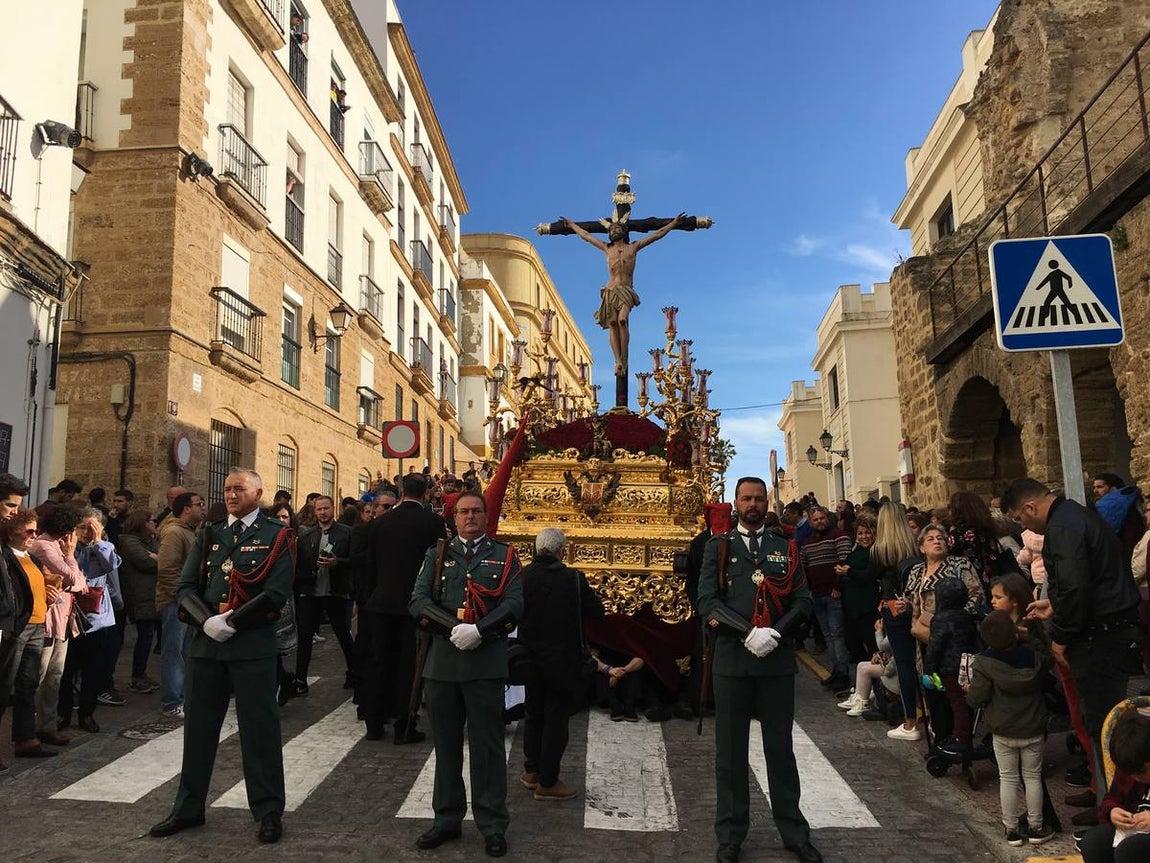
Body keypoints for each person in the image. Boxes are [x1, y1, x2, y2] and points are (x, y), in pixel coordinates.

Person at [149, 468, 294, 844]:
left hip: (251, 648)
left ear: (258, 492)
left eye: (239, 489)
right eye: (227, 489)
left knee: (259, 731)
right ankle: (188, 808)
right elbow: (185, 587)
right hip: (206, 646)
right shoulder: (210, 533)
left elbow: (276, 594)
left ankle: (267, 810)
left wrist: (231, 623)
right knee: (198, 730)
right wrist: (207, 622)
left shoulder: (276, 535)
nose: (231, 495)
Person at [697, 477, 821, 863]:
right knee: (730, 754)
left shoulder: (786, 547)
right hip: (733, 662)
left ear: (767, 503)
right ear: (735, 502)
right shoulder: (719, 548)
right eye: (746, 498)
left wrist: (776, 634)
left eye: (759, 498)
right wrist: (748, 632)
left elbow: (803, 600)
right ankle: (731, 834)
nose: (752, 504)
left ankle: (794, 832)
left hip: (776, 663)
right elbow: (706, 601)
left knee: (780, 750)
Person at [1005, 477, 1143, 805]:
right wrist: (1055, 605)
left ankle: (1114, 808)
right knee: (1106, 724)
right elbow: (1088, 582)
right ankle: (1106, 797)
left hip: (1101, 640)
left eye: (1019, 518)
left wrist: (1061, 634)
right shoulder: (1076, 516)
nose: (1023, 525)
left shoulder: (1063, 527)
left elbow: (1077, 587)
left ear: (1029, 507)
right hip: (1108, 631)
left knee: (1107, 727)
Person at [408, 491, 523, 859]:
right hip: (442, 665)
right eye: (463, 512)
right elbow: (418, 600)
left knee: (488, 748)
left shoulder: (505, 556)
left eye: (476, 511)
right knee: (445, 745)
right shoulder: (436, 555)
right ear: (453, 518)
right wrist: (450, 628)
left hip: (485, 665)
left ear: (486, 516)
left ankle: (492, 824)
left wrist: (480, 630)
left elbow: (514, 604)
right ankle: (447, 819)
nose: (470, 517)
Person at [518, 527, 603, 800]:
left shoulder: (522, 577)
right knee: (556, 719)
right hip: (562, 659)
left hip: (530, 656)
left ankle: (531, 770)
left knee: (533, 712)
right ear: (560, 551)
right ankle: (548, 781)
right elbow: (596, 612)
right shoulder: (572, 579)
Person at [362, 473, 445, 744]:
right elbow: (438, 565)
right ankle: (404, 724)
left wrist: (373, 593)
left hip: (382, 601)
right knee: (409, 665)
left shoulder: (381, 522)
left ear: (400, 492)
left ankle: (373, 723)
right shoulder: (433, 522)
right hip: (415, 605)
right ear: (425, 494)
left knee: (379, 661)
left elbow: (371, 564)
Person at [966, 610, 1053, 847]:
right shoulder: (1033, 657)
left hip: (1003, 728)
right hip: (1033, 726)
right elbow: (1048, 656)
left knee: (1008, 778)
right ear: (1015, 633)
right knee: (1033, 777)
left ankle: (1011, 829)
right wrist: (1032, 637)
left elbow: (976, 698)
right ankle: (1036, 826)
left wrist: (970, 693)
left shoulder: (984, 662)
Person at [561, 212, 683, 375]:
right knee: (612, 324)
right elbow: (586, 236)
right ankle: (617, 360)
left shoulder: (633, 247)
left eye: (616, 228)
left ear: (623, 231)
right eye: (610, 229)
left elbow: (656, 235)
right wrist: (572, 225)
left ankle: (624, 358)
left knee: (622, 320)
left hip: (626, 290)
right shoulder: (606, 248)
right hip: (610, 290)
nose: (613, 231)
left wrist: (673, 223)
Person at [0, 510, 59, 759]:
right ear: (13, 530)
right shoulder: (6, 557)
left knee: (28, 685)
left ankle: (26, 740)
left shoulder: (31, 558)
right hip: (17, 627)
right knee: (4, 686)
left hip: (37, 625)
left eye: (35, 530)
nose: (33, 536)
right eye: (29, 531)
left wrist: (50, 594)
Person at [59, 508, 123, 732]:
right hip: (69, 617)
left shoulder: (105, 548)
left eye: (92, 528)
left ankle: (86, 713)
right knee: (65, 670)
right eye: (83, 527)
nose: (87, 533)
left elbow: (110, 565)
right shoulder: (67, 546)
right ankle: (63, 713)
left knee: (93, 670)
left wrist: (98, 542)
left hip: (97, 618)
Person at [872, 502, 923, 739]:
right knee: (922, 660)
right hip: (916, 607)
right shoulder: (914, 546)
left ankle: (910, 720)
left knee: (903, 663)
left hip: (892, 609)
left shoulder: (879, 551)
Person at [293, 495, 353, 691]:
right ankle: (300, 679)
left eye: (326, 508)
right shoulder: (307, 535)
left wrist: (338, 563)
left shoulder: (346, 533)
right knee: (304, 637)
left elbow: (354, 560)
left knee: (343, 634)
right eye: (319, 509)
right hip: (311, 594)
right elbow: (300, 565)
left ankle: (353, 673)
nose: (323, 512)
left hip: (336, 593)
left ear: (332, 508)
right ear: (315, 511)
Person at [155, 491, 204, 718]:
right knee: (174, 652)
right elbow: (167, 569)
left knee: (185, 650)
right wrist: (183, 597)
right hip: (176, 603)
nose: (202, 508)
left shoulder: (188, 532)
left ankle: (183, 697)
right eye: (198, 504)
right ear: (186, 508)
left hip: (187, 602)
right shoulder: (175, 533)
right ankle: (172, 701)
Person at [1078, 707, 1150, 863]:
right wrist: (1113, 811)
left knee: (1130, 850)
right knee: (1093, 841)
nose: (1136, 778)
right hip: (1136, 832)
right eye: (1132, 774)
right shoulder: (1129, 763)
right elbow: (1112, 798)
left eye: (1141, 772)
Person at [798, 506, 852, 692]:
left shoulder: (839, 535)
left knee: (837, 634)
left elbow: (844, 561)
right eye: (815, 519)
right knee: (828, 635)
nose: (819, 521)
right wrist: (809, 590)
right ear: (811, 522)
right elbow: (804, 567)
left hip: (833, 594)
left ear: (827, 518)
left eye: (822, 518)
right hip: (817, 594)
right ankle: (836, 671)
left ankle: (843, 673)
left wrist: (838, 586)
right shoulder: (807, 543)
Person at [924, 578, 978, 755]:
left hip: (949, 669)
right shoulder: (967, 617)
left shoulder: (940, 619)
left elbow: (935, 646)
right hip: (968, 665)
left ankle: (960, 738)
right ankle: (965, 735)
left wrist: (929, 669)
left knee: (957, 704)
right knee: (965, 704)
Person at [116, 506, 160, 693]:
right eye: (152, 520)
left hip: (148, 595)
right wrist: (157, 558)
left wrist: (157, 557)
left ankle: (140, 673)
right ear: (143, 523)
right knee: (143, 636)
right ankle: (136, 676)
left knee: (147, 636)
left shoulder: (149, 541)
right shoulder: (129, 542)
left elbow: (161, 558)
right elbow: (148, 563)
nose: (155, 524)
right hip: (138, 595)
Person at [839, 519, 880, 664]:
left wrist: (849, 571)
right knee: (853, 644)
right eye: (860, 533)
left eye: (867, 533)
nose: (864, 536)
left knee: (873, 646)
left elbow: (870, 575)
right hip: (852, 608)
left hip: (868, 607)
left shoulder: (876, 552)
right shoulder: (854, 552)